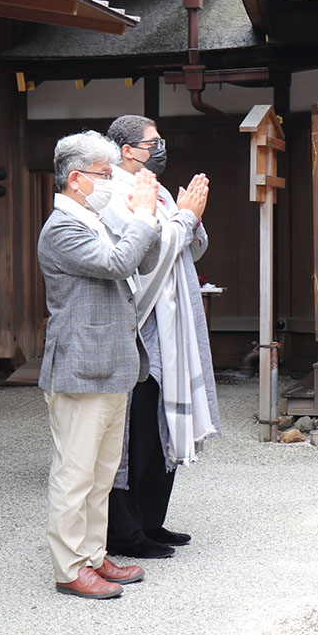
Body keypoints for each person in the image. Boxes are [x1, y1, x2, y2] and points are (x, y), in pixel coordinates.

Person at [38, 130, 163, 599]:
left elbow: (140, 261)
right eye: (104, 175)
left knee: (102, 472)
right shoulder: (62, 227)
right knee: (75, 472)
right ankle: (69, 567)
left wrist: (142, 219)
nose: (111, 182)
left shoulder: (91, 219)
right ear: (75, 179)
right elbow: (115, 263)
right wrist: (145, 216)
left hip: (110, 363)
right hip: (80, 365)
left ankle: (92, 555)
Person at [103, 114, 220, 559]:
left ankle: (152, 521)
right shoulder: (115, 193)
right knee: (137, 435)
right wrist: (185, 219)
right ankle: (126, 533)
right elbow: (144, 251)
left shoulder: (159, 188)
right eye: (154, 142)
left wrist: (190, 217)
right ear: (127, 149)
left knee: (163, 430)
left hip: (173, 325)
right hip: (144, 327)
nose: (160, 148)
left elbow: (190, 244)